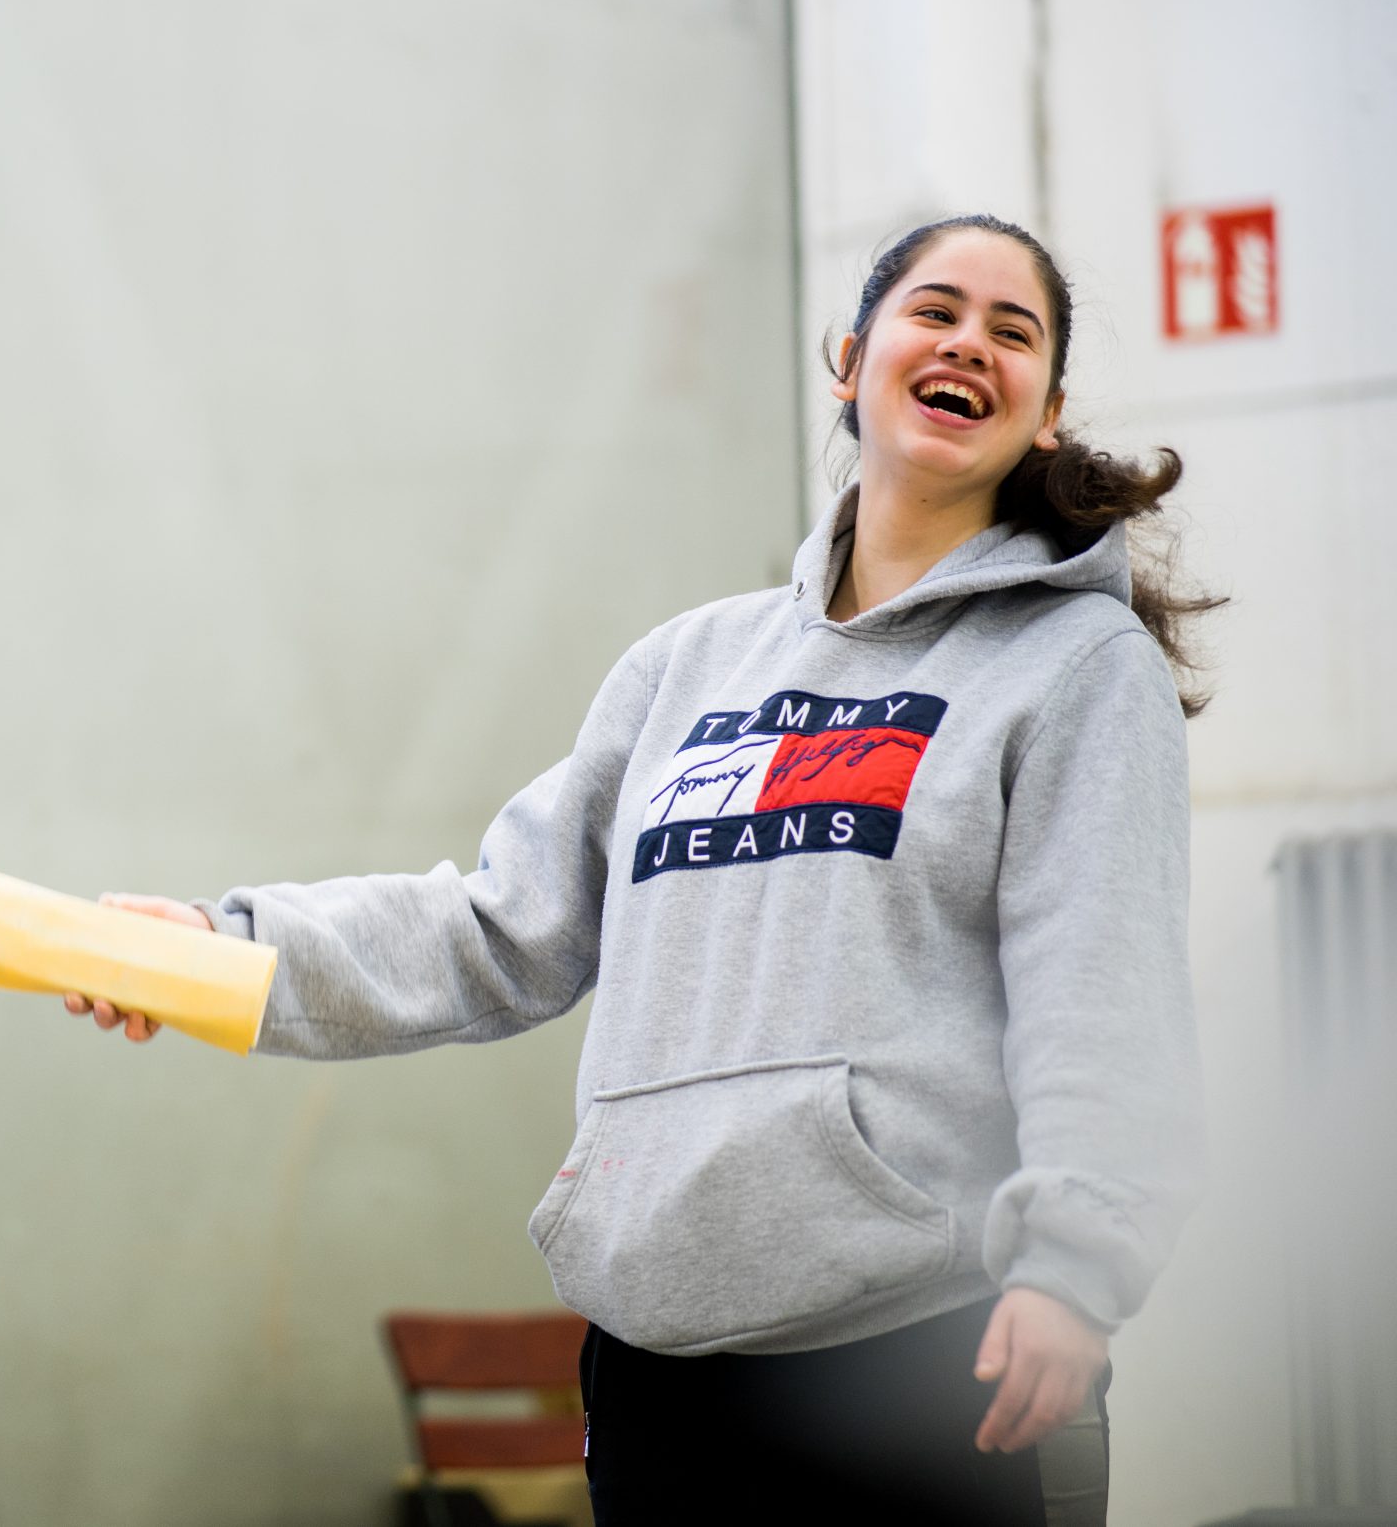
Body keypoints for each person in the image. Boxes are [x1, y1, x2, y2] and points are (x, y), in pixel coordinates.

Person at [70, 215, 1211, 1525]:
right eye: (935, 310)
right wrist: (216, 951)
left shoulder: (1074, 668)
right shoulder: (689, 666)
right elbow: (495, 928)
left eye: (1013, 332)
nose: (968, 343)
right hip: (659, 1372)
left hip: (920, 1363)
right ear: (851, 359)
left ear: (1047, 415)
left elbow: (1105, 1000)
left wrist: (1074, 1271)